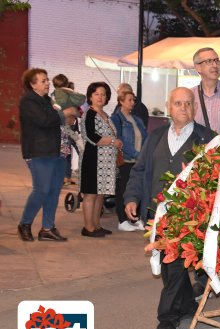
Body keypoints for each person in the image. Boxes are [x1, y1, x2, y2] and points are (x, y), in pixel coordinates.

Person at [124, 87, 213, 329]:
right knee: (167, 264)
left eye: (188, 103)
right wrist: (131, 197)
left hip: (189, 216)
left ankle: (167, 317)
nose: (183, 108)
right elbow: (140, 169)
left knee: (172, 263)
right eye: (178, 103)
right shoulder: (156, 135)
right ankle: (186, 305)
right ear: (169, 106)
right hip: (156, 211)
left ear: (194, 107)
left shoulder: (207, 138)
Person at [17, 68, 78, 242]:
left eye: (47, 80)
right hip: (39, 151)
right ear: (32, 84)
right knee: (41, 190)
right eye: (43, 81)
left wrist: (66, 115)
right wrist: (63, 114)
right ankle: (25, 224)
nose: (47, 83)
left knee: (53, 190)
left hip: (57, 150)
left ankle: (47, 228)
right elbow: (43, 120)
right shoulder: (28, 101)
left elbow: (58, 118)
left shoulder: (47, 99)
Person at [79, 82, 123, 238]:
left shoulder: (105, 114)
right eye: (96, 94)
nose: (100, 97)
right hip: (93, 160)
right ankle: (88, 227)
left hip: (105, 163)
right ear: (90, 96)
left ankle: (96, 225)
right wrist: (113, 142)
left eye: (103, 94)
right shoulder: (89, 114)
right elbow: (92, 137)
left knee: (100, 194)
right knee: (90, 194)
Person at [111, 90, 148, 232]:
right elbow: (120, 141)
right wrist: (136, 154)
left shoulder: (137, 119)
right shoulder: (116, 119)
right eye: (129, 100)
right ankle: (122, 219)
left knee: (135, 189)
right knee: (122, 189)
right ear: (121, 101)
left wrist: (143, 154)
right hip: (125, 160)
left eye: (133, 100)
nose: (132, 102)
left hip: (137, 160)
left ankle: (133, 218)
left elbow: (144, 137)